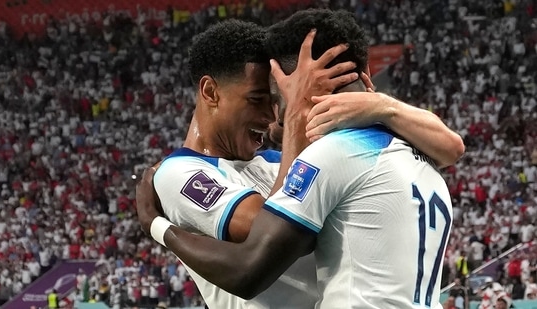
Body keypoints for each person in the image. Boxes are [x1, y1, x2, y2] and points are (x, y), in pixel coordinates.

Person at [138, 11, 463, 308]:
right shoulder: (178, 172)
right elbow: (262, 233)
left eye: (277, 99)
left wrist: (375, 105)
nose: (270, 116)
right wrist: (300, 112)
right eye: (257, 99)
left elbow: (290, 224)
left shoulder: (302, 158)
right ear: (210, 92)